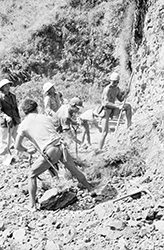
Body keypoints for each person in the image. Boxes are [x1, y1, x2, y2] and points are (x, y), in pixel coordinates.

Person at [15, 99, 94, 212]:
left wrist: (27, 150)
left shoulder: (23, 125)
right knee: (74, 169)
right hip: (61, 146)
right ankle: (90, 189)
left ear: (24, 112)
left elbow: (17, 146)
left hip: (50, 150)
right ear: (36, 108)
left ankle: (32, 206)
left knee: (31, 175)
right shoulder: (45, 117)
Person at [98, 72, 132, 150]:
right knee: (104, 132)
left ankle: (129, 125)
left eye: (117, 82)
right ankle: (99, 150)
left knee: (128, 106)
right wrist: (117, 106)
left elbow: (120, 99)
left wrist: (126, 93)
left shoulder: (117, 89)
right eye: (114, 82)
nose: (115, 83)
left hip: (112, 110)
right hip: (106, 111)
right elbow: (105, 103)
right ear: (111, 80)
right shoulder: (107, 89)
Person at [0, 79, 21, 155]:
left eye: (8, 85)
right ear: (2, 88)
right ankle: (4, 156)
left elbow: (16, 108)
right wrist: (6, 117)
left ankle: (18, 154)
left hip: (14, 120)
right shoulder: (0, 97)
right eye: (5, 86)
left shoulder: (13, 96)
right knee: (5, 141)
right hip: (5, 123)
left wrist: (18, 118)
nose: (7, 87)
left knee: (17, 138)